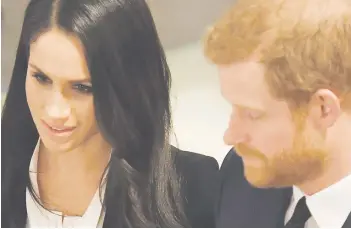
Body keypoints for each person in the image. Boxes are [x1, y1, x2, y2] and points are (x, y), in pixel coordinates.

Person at [1, 0, 219, 227]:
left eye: (83, 88)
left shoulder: (194, 189)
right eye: (41, 78)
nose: (55, 110)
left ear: (126, 84)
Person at [203, 0, 351, 227]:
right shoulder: (241, 180)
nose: (231, 136)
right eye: (233, 109)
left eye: (252, 115)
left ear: (324, 109)